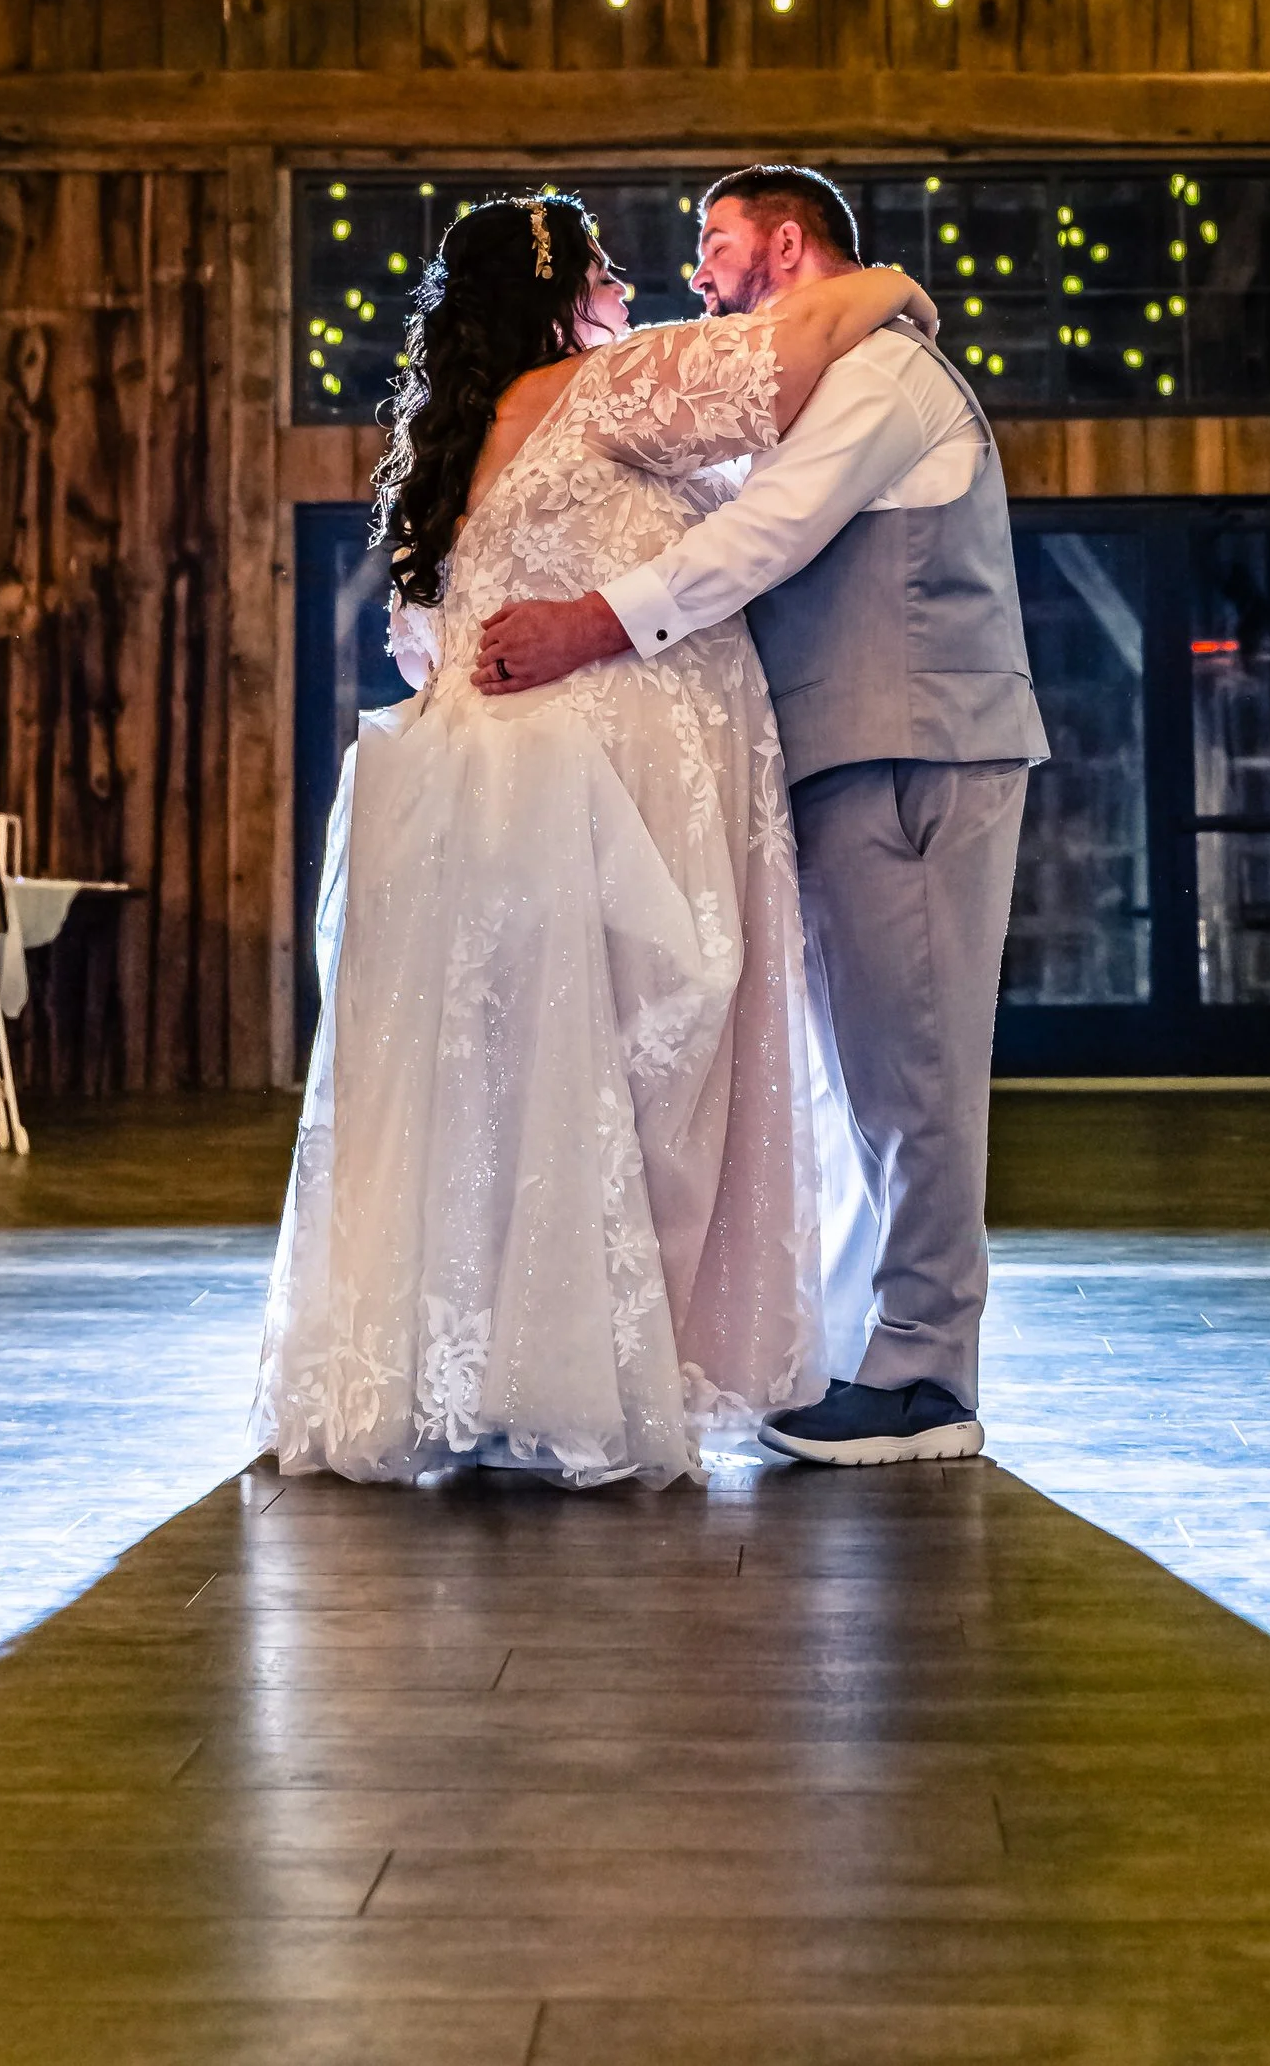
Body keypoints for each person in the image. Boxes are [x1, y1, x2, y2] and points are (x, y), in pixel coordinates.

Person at [249, 189, 936, 1492]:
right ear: (563, 293)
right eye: (614, 274)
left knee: (502, 1092)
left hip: (467, 804)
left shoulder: (450, 453)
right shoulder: (606, 384)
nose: (637, 295)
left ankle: (468, 1376)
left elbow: (421, 644)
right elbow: (788, 356)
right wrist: (896, 286)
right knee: (630, 1075)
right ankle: (587, 1375)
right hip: (604, 794)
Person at [477, 164, 1048, 1472]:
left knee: (917, 1066)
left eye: (716, 242)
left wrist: (587, 626)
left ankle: (925, 1378)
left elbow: (768, 539)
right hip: (857, 747)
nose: (700, 266)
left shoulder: (887, 376)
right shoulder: (819, 382)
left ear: (786, 245)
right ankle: (881, 1349)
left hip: (915, 747)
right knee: (871, 1065)